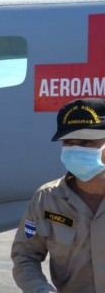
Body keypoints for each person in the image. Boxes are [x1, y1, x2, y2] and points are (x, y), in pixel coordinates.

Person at [11, 97, 105, 293]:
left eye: (87, 141)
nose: (76, 149)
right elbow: (25, 255)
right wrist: (39, 288)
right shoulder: (46, 199)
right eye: (69, 142)